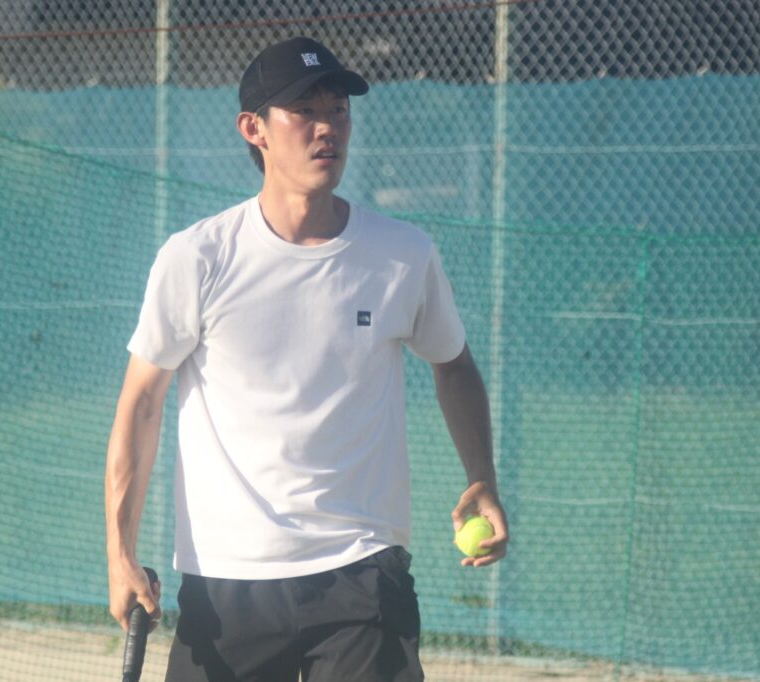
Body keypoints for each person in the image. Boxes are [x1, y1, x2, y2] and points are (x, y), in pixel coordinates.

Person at [105, 36, 509, 681]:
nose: (328, 128)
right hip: (226, 582)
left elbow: (453, 365)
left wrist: (481, 475)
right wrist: (120, 553)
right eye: (305, 111)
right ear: (254, 129)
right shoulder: (198, 257)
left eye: (339, 110)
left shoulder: (404, 254)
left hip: (363, 572)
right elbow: (141, 403)